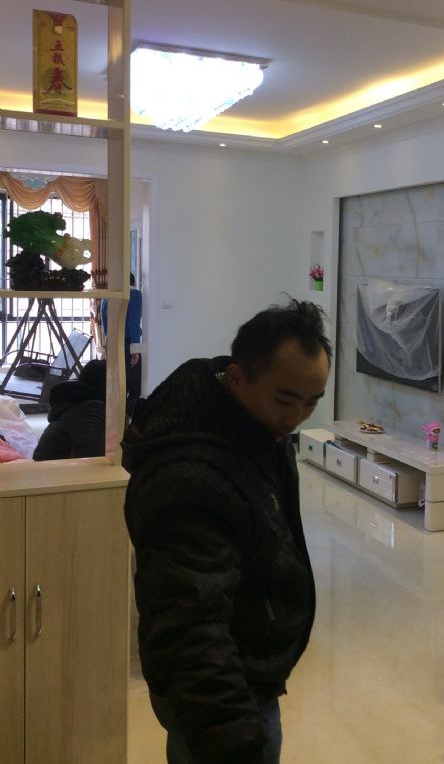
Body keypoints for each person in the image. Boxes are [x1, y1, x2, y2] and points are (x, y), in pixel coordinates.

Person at [123, 299, 331, 764]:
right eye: (286, 400)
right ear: (236, 377)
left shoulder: (256, 430)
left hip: (238, 675)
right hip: (223, 697)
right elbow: (189, 632)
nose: (296, 417)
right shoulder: (192, 479)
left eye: (311, 402)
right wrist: (233, 737)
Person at [33, 358, 107, 460]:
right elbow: (95, 456)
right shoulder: (89, 409)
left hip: (48, 465)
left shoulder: (78, 400)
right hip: (53, 468)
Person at [101, 272, 143, 417]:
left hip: (111, 344)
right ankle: (125, 420)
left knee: (117, 387)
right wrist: (135, 349)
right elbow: (133, 323)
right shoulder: (134, 295)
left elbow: (104, 324)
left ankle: (114, 419)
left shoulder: (107, 297)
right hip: (127, 345)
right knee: (135, 389)